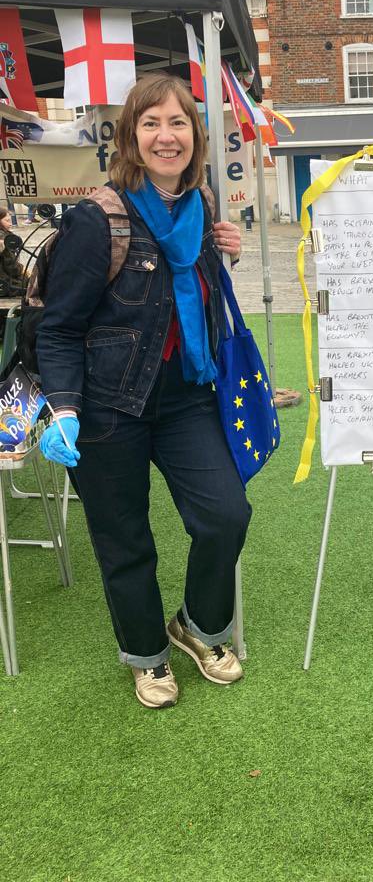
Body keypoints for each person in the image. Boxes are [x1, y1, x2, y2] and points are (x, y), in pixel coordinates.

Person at [36, 73, 251, 710]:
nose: (166, 136)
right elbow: (60, 326)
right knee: (125, 538)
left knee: (225, 516)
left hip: (185, 394)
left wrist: (224, 260)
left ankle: (197, 626)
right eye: (151, 123)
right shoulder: (96, 219)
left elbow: (189, 299)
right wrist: (65, 408)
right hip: (108, 405)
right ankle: (147, 655)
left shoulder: (202, 206)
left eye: (178, 122)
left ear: (195, 135)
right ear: (131, 135)